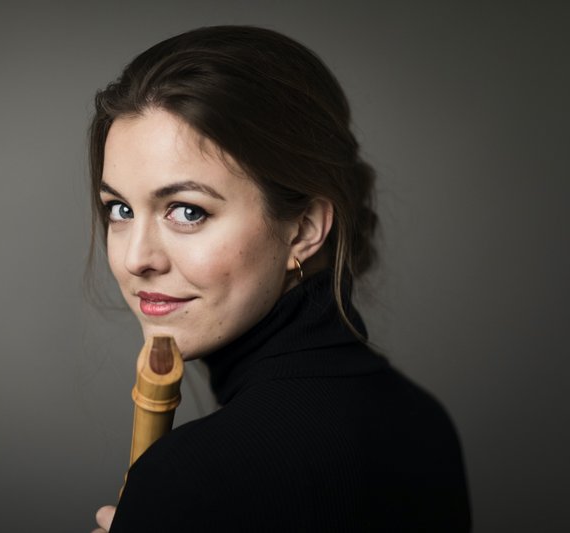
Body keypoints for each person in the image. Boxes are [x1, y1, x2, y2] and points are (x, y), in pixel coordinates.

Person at [88, 25, 471, 532]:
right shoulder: (424, 423)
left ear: (305, 228)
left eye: (187, 211)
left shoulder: (190, 478)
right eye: (119, 209)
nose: (137, 258)